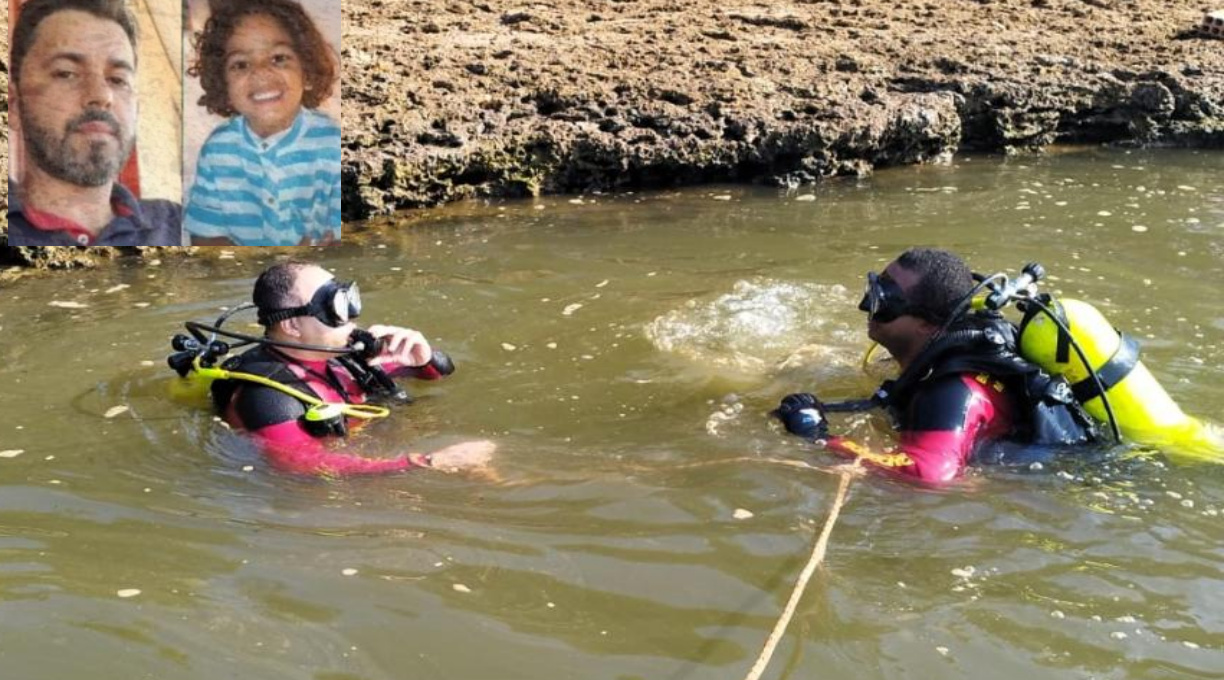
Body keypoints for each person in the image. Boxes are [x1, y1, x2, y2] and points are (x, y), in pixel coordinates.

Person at [774, 248, 1095, 484]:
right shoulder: (941, 355)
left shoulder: (949, 391)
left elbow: (929, 475)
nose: (866, 308)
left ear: (927, 325)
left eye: (885, 301)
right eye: (875, 289)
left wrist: (820, 438)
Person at [210, 261, 495, 476]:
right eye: (333, 306)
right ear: (293, 325)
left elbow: (435, 374)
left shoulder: (341, 354)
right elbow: (301, 464)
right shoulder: (267, 395)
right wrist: (426, 463)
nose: (351, 318)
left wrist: (422, 357)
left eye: (346, 298)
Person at [7, 0, 182, 246]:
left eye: (118, 79)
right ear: (13, 105)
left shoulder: (179, 226)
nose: (102, 96)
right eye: (66, 73)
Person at [184, 0, 340, 246]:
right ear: (224, 85)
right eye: (241, 64)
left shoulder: (332, 144)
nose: (260, 72)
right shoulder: (218, 150)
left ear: (307, 73)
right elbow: (204, 237)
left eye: (278, 58)